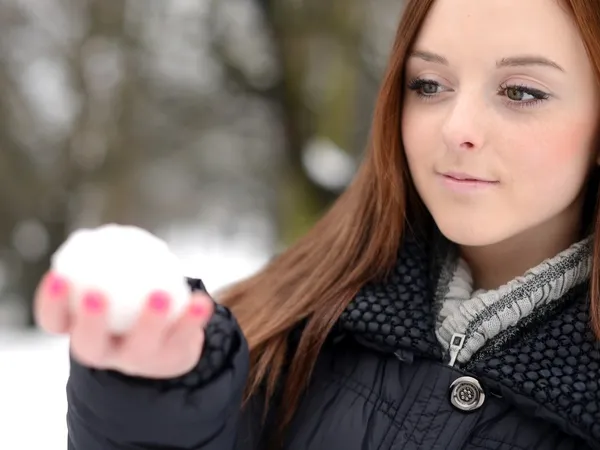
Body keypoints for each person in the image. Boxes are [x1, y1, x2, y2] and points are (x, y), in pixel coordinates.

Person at [34, 0, 600, 448]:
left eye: (522, 92)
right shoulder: (292, 326)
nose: (458, 128)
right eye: (429, 84)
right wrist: (153, 397)